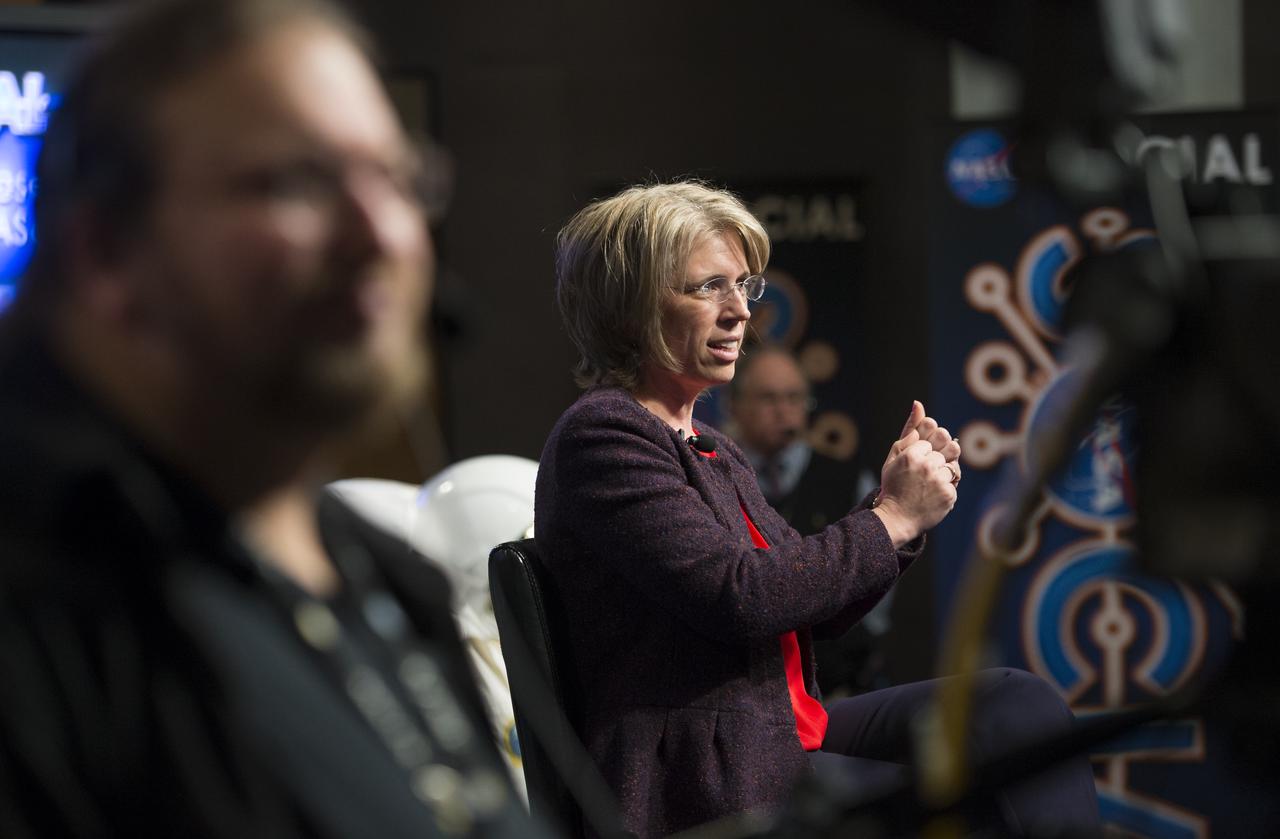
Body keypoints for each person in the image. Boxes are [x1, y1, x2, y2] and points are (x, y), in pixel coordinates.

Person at [0, 2, 539, 837]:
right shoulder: (42, 610)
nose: (382, 232)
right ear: (105, 248)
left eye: (397, 179)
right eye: (296, 180)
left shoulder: (384, 573)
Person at [536, 181, 1101, 838]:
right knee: (969, 801)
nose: (740, 312)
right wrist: (892, 517)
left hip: (772, 722)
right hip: (702, 762)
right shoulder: (603, 434)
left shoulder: (710, 446)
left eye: (743, 287)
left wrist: (893, 510)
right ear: (629, 307)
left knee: (1015, 704)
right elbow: (744, 597)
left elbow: (813, 606)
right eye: (707, 287)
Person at [728, 344, 889, 698]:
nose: (784, 412)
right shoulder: (718, 478)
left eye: (795, 398)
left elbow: (876, 585)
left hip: (834, 687)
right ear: (734, 406)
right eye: (769, 399)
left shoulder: (847, 481)